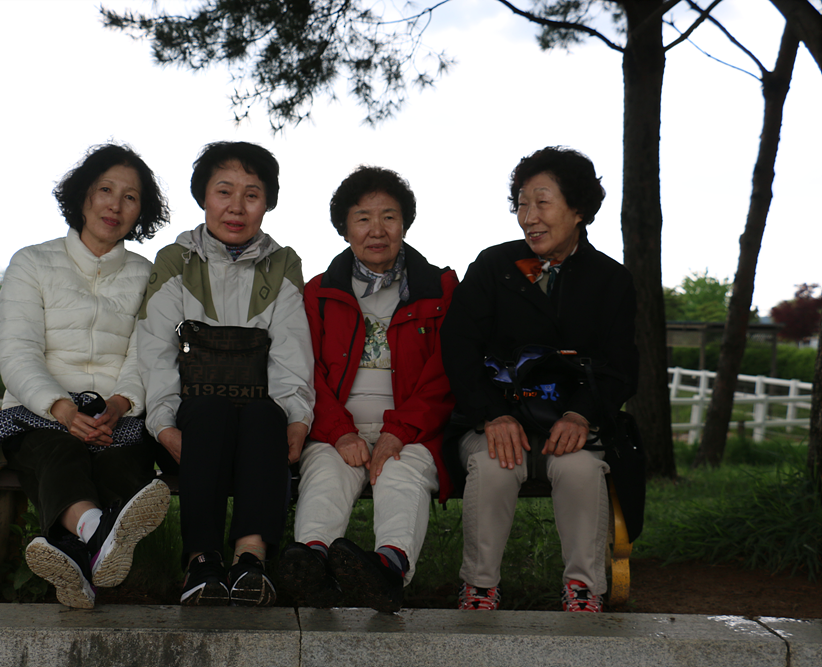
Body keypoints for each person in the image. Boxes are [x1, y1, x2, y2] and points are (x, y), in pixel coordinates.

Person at [441, 146, 638, 613]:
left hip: (569, 422)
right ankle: (479, 586)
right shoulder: (495, 267)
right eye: (522, 205)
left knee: (580, 469)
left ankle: (584, 589)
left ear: (578, 209)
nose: (529, 217)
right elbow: (458, 346)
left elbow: (620, 366)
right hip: (496, 417)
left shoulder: (609, 280)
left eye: (542, 203)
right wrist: (493, 414)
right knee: (495, 464)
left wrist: (580, 414)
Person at [0, 143, 172, 609]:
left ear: (141, 212)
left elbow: (145, 354)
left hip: (116, 414)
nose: (115, 205)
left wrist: (120, 403)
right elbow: (17, 350)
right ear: (83, 195)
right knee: (61, 451)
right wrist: (61, 408)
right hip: (39, 411)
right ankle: (98, 532)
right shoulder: (31, 262)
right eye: (105, 190)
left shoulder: (147, 275)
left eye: (130, 197)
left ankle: (74, 554)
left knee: (122, 457)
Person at [136, 141, 314, 607]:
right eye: (224, 191)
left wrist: (297, 416)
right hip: (191, 423)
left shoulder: (283, 265)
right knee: (209, 411)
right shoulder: (175, 261)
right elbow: (156, 351)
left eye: (252, 194)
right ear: (203, 196)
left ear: (267, 203)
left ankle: (250, 560)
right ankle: (202, 561)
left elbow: (291, 352)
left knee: (266, 415)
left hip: (260, 425)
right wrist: (163, 422)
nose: (236, 207)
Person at [275, 166, 457, 613]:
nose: (377, 230)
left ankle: (387, 571)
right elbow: (306, 371)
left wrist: (399, 431)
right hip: (338, 427)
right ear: (345, 228)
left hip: (412, 430)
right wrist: (340, 432)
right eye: (362, 218)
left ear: (405, 224)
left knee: (401, 472)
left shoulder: (440, 289)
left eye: (389, 217)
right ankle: (313, 566)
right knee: (326, 471)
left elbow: (446, 373)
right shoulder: (319, 293)